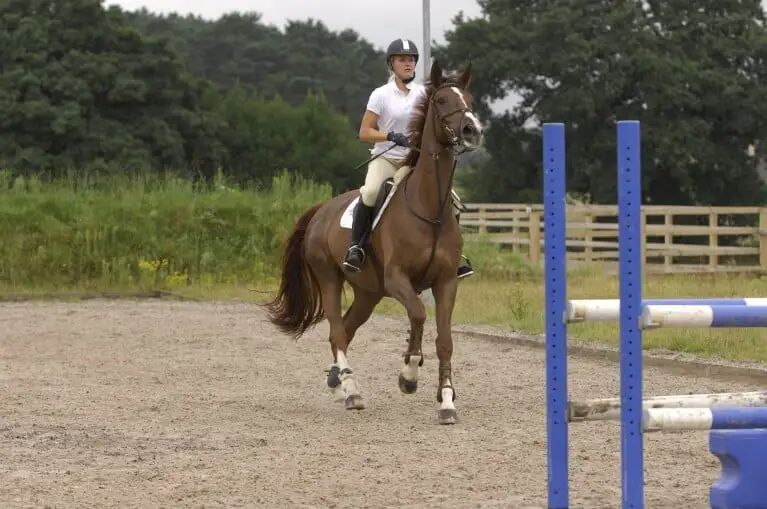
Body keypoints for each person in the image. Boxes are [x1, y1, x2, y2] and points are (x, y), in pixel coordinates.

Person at [342, 38, 474, 279]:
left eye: (411, 60)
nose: (408, 64)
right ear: (391, 64)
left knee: (452, 200)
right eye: (402, 60)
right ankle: (356, 247)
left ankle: (453, 255)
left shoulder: (424, 93)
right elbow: (364, 132)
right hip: (386, 158)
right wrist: (390, 135)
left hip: (415, 160)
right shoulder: (380, 94)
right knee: (370, 192)